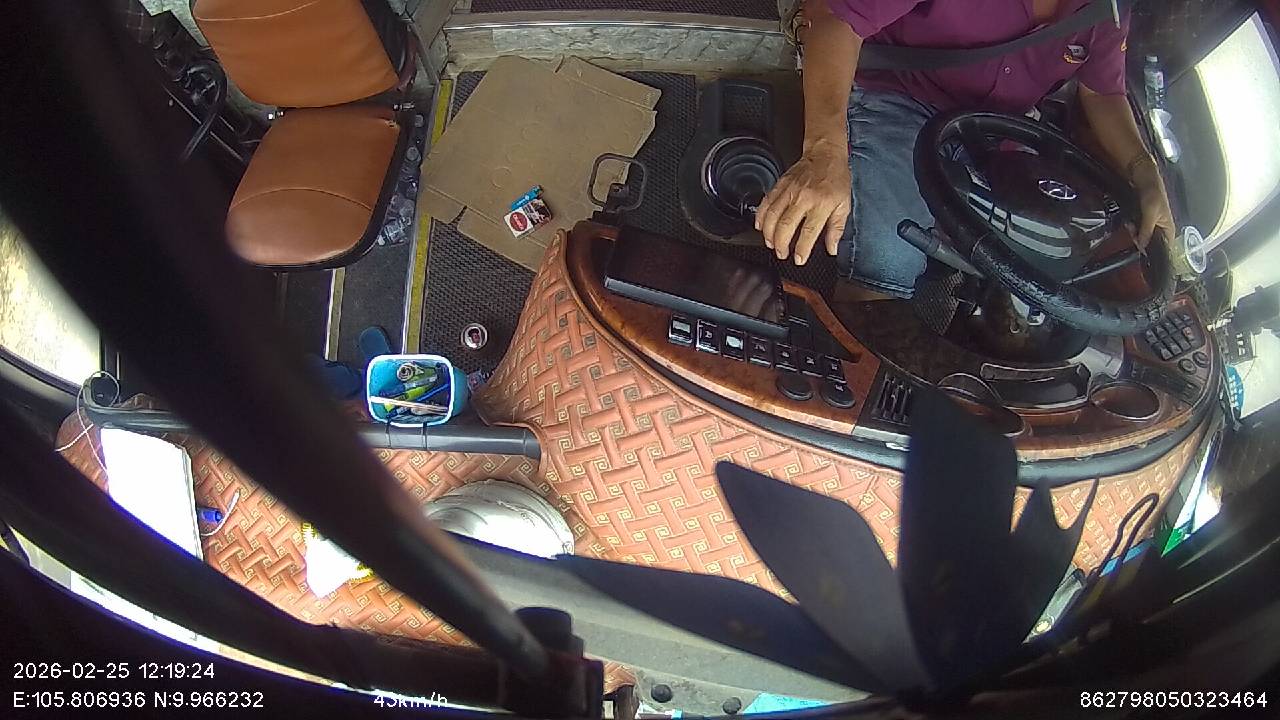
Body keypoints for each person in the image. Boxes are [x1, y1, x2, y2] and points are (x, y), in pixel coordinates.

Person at [757, 0, 1176, 301]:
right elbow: (835, 18)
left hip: (993, 133)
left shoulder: (1109, 10)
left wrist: (1144, 171)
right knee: (888, 261)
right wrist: (825, 151)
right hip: (901, 95)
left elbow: (1103, 91)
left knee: (1039, 273)